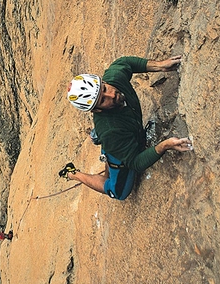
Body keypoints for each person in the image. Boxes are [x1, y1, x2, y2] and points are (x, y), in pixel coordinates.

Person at [60, 55, 193, 200]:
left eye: (104, 88)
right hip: (114, 137)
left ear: (103, 81)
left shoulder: (115, 78)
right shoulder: (111, 131)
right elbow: (135, 163)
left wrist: (160, 65)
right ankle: (73, 174)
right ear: (97, 110)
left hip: (115, 135)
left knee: (113, 139)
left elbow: (124, 63)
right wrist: (164, 146)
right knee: (117, 192)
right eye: (103, 100)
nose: (112, 94)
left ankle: (102, 140)